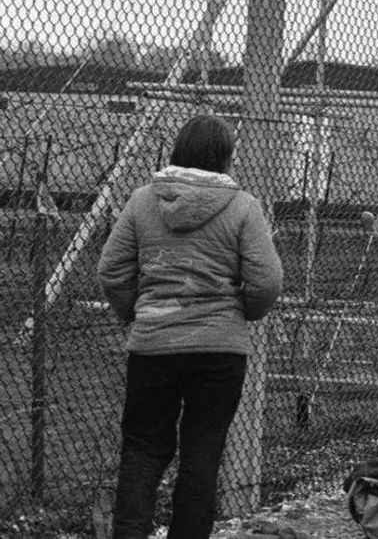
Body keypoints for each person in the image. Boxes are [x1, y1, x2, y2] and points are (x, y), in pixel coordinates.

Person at [98, 114, 284, 539]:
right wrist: (245, 313)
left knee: (142, 449)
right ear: (225, 157)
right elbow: (267, 281)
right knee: (203, 451)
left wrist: (136, 311)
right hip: (220, 349)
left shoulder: (143, 201)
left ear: (177, 150)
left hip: (153, 345)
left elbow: (111, 269)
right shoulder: (242, 207)